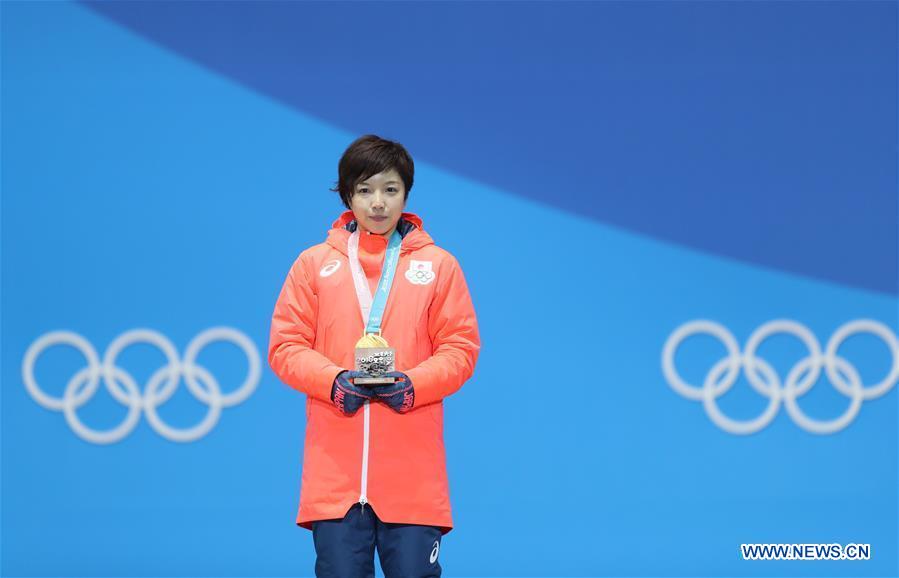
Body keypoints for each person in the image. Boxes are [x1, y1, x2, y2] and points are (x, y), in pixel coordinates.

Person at [268, 134, 481, 577]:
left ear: (406, 193)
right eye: (364, 190)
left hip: (413, 481)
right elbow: (286, 345)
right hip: (335, 482)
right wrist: (331, 381)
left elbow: (460, 348)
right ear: (347, 195)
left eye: (390, 189)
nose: (378, 203)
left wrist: (413, 385)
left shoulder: (439, 266)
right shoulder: (313, 265)